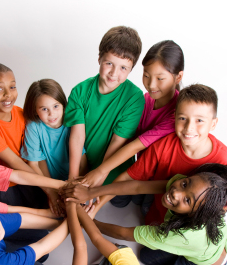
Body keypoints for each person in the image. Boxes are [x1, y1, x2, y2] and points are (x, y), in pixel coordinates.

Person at [66, 84, 227, 225]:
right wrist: (96, 207)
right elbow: (129, 179)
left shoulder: (222, 160)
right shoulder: (163, 146)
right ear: (174, 118)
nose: (189, 128)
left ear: (213, 124)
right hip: (157, 211)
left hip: (190, 229)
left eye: (199, 120)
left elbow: (220, 209)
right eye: (183, 118)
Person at [89, 170, 227, 265]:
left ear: (195, 215)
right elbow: (138, 187)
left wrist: (90, 221)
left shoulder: (179, 234)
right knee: (145, 256)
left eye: (187, 200)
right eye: (185, 184)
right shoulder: (194, 194)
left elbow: (123, 234)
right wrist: (92, 192)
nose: (176, 193)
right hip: (207, 247)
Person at [81, 40, 184, 201]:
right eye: (146, 76)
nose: (151, 84)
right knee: (122, 202)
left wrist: (101, 171)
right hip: (137, 172)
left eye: (160, 78)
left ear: (178, 77)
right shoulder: (145, 100)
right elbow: (125, 135)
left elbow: (134, 146)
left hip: (161, 182)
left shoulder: (178, 114)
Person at [64, 26, 144, 185]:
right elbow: (77, 137)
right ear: (99, 58)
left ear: (131, 69)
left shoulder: (134, 98)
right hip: (84, 166)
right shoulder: (80, 91)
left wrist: (99, 178)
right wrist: (72, 177)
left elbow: (117, 142)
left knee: (120, 203)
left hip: (114, 173)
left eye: (123, 68)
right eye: (109, 63)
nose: (114, 73)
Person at [0, 63, 50, 215]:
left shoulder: (21, 113)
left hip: (28, 175)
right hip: (4, 184)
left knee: (52, 211)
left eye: (12, 87)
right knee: (26, 227)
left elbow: (37, 153)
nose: (8, 95)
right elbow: (14, 162)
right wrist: (48, 188)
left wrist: (48, 185)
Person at [20, 79, 87, 216]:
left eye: (56, 106)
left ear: (63, 104)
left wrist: (80, 184)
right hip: (49, 182)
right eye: (44, 109)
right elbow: (34, 164)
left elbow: (83, 158)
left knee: (78, 210)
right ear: (35, 110)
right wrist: (51, 191)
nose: (51, 114)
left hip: (74, 178)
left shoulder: (72, 121)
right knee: (55, 213)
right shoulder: (34, 127)